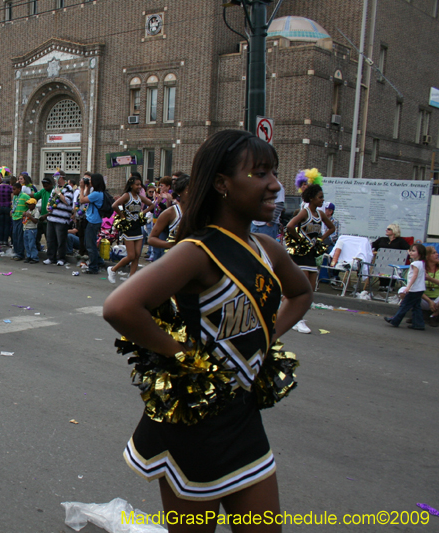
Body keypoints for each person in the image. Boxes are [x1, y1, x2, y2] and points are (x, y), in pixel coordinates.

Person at [103, 130, 312, 532]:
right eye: (260, 173)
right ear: (221, 184)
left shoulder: (268, 248)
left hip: (244, 419)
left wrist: (266, 339)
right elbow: (120, 307)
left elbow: (300, 294)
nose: (274, 184)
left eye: (274, 172)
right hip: (194, 426)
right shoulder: (197, 251)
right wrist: (180, 354)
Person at [285, 184, 334, 334]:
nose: (322, 200)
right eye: (320, 197)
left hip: (311, 255)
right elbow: (290, 226)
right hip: (300, 255)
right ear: (311, 198)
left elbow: (331, 228)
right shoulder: (304, 213)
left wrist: (320, 239)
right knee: (303, 288)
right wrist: (302, 239)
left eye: (323, 197)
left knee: (311, 291)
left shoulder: (320, 214)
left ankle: (287, 310)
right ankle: (297, 320)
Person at [107, 176, 154, 283]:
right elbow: (114, 205)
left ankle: (131, 279)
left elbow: (152, 205)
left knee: (137, 255)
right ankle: (113, 269)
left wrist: (142, 213)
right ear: (131, 185)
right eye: (137, 184)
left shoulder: (139, 197)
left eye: (140, 184)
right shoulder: (127, 196)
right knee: (131, 255)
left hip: (137, 227)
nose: (139, 186)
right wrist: (123, 217)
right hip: (128, 228)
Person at [385, 244, 427, 330]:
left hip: (414, 289)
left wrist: (408, 287)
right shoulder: (422, 263)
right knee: (416, 306)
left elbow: (414, 276)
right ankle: (418, 324)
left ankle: (395, 320)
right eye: (410, 250)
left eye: (414, 251)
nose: (411, 252)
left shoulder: (415, 264)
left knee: (404, 305)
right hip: (420, 289)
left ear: (420, 253)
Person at [147, 175, 190, 253]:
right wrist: (170, 244)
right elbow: (151, 239)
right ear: (179, 192)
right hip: (175, 257)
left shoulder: (199, 211)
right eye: (188, 190)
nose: (192, 193)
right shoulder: (171, 212)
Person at [44, 171, 75, 266]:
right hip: (52, 218)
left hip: (62, 219)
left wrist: (59, 194)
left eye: (56, 177)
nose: (54, 179)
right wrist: (47, 207)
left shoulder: (68, 188)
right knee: (50, 239)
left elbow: (67, 201)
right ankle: (51, 257)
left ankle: (61, 258)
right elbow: (50, 201)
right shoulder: (55, 189)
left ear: (61, 177)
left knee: (61, 240)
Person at [78, 173, 106, 274]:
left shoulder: (97, 194)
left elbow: (82, 200)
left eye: (91, 181)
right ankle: (99, 261)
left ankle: (93, 267)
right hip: (94, 220)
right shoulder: (98, 193)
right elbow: (87, 198)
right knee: (88, 243)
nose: (89, 182)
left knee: (90, 245)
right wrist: (88, 188)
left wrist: (82, 188)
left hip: (93, 221)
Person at [251, 177, 285, 241]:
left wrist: (270, 222)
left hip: (267, 226)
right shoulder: (256, 183)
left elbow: (279, 204)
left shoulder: (277, 186)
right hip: (254, 224)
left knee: (266, 249)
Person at [10, 180, 31, 261]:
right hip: (14, 217)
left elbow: (31, 204)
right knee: (14, 236)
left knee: (20, 237)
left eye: (14, 189)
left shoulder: (24, 196)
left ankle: (20, 254)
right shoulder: (15, 196)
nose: (13, 191)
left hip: (21, 219)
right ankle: (16, 252)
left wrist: (26, 212)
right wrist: (11, 211)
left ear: (19, 189)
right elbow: (14, 206)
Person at [0, 171, 13, 245]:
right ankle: (5, 240)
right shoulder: (10, 188)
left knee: (0, 224)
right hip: (7, 206)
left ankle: (0, 240)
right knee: (7, 224)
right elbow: (12, 198)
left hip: (0, 206)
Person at [22, 198, 40, 264]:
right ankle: (28, 256)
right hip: (26, 228)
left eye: (30, 204)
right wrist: (23, 216)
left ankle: (34, 257)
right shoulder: (28, 210)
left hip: (32, 229)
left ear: (34, 204)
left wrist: (30, 217)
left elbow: (36, 221)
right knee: (26, 244)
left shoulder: (36, 211)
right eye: (28, 204)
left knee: (32, 244)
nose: (29, 206)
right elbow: (24, 220)